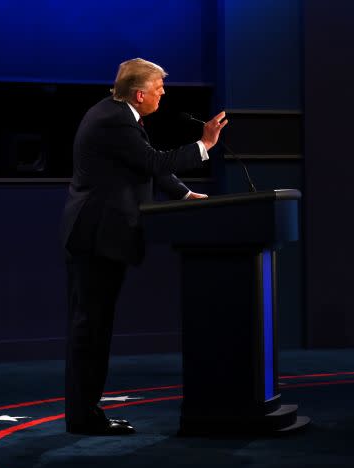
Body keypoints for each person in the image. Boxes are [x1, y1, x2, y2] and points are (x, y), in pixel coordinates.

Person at [60, 58, 228, 435]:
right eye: (159, 88)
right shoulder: (116, 120)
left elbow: (145, 166)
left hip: (97, 236)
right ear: (140, 93)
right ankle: (84, 416)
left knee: (93, 328)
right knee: (91, 330)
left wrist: (184, 193)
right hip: (96, 237)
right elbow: (154, 161)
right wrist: (204, 145)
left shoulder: (116, 113)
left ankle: (85, 413)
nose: (163, 94)